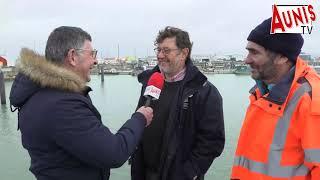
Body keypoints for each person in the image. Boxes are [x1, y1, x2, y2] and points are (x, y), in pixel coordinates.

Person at [9, 26, 153, 180]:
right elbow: (113, 153)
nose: (96, 60)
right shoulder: (62, 105)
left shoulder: (39, 92)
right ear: (72, 56)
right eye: (92, 54)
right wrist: (139, 119)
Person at [130, 26, 225, 180]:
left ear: (184, 53)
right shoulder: (150, 82)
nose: (160, 55)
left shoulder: (204, 92)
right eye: (158, 50)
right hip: (144, 172)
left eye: (166, 50)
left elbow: (212, 142)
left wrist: (189, 173)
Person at [231, 18, 320, 180]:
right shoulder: (261, 92)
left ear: (282, 57)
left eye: (254, 52)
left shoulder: (310, 100)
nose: (246, 59)